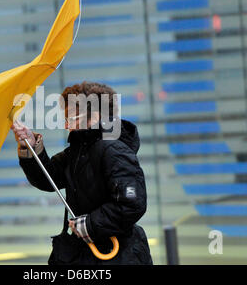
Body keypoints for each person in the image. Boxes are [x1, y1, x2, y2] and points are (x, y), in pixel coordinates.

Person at [10, 81, 152, 265]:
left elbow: (132, 203)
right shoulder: (78, 152)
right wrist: (29, 144)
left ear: (95, 115)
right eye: (66, 119)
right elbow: (48, 178)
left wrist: (90, 224)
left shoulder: (115, 150)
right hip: (87, 254)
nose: (68, 125)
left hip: (117, 256)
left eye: (73, 117)